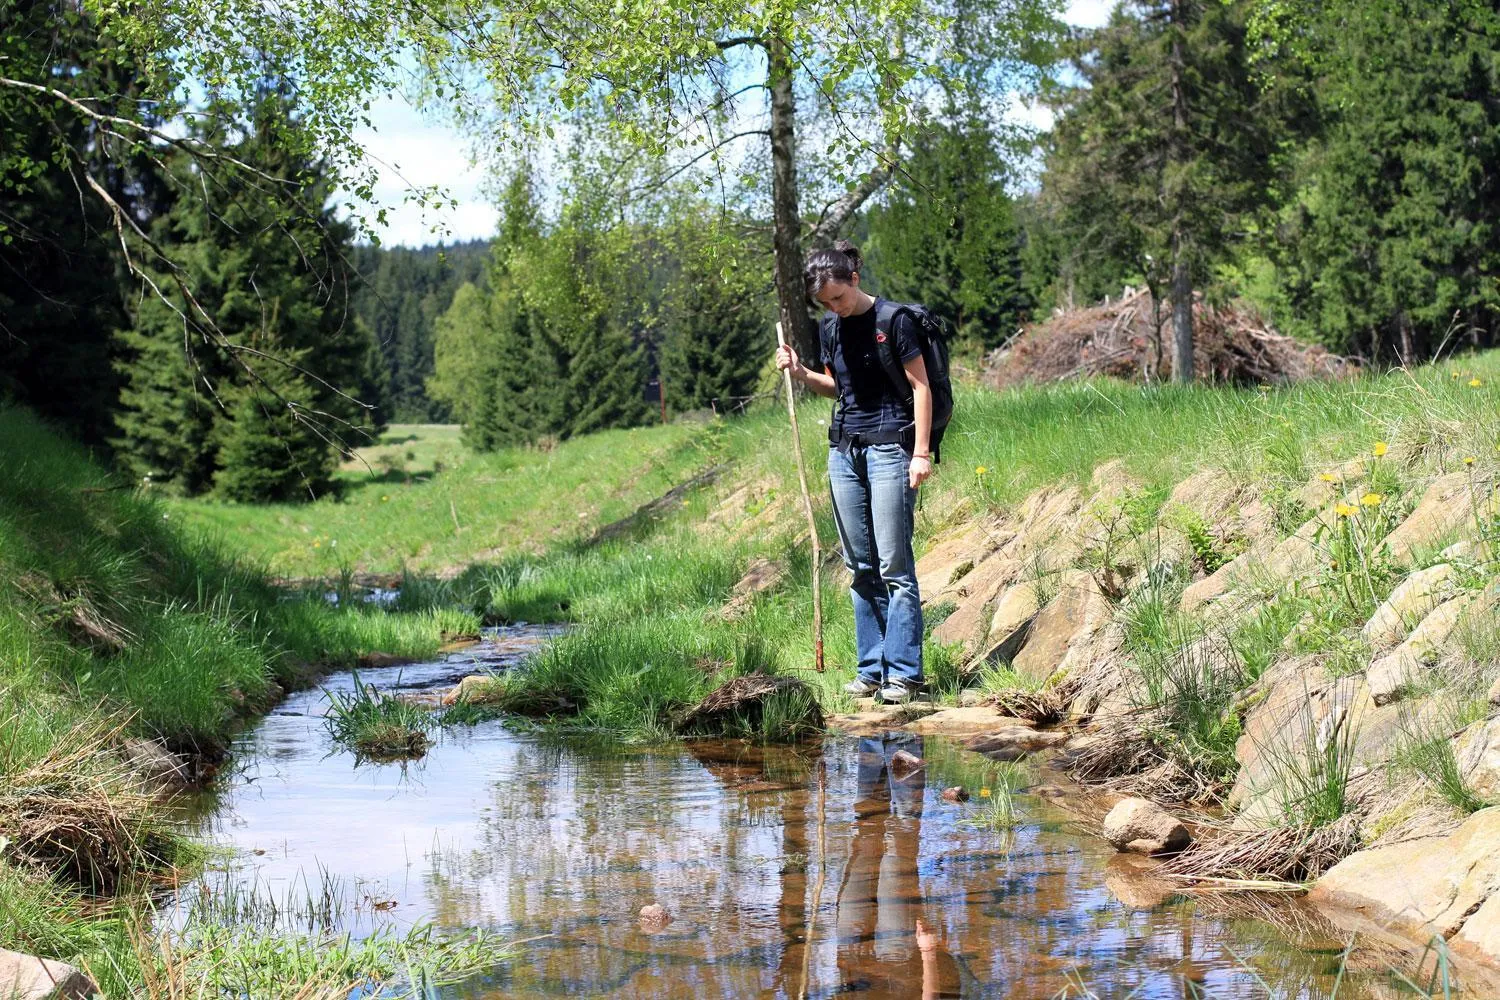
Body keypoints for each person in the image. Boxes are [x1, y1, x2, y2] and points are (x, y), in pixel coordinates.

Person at [775, 240, 932, 703]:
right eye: (825, 303)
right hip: (843, 453)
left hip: (891, 450)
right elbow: (838, 387)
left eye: (838, 298)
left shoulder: (894, 321)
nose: (835, 308)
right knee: (859, 566)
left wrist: (921, 453)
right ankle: (872, 670)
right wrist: (801, 373)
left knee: (894, 566)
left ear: (855, 280)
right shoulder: (831, 328)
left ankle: (905, 675)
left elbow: (921, 388)